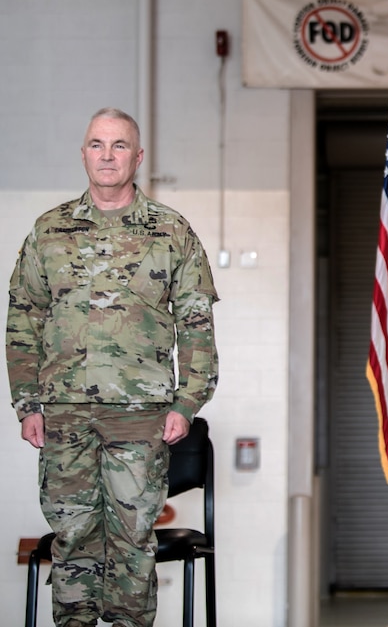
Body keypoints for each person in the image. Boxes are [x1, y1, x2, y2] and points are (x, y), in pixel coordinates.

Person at [7, 107, 219, 627]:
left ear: (138, 156)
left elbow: (196, 325)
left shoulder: (170, 231)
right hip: (64, 415)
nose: (107, 155)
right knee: (72, 536)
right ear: (83, 155)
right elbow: (22, 318)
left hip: (140, 414)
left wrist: (187, 403)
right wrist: (26, 404)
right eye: (97, 145)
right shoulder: (49, 231)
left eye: (119, 145)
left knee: (132, 540)